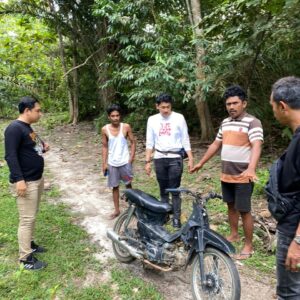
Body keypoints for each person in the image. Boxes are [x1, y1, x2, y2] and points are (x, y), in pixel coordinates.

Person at [192, 85, 263, 259]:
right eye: (228, 104)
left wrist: (251, 168)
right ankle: (233, 234)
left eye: (235, 103)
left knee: (244, 210)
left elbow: (256, 145)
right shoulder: (225, 122)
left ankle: (248, 246)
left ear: (244, 103)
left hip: (243, 176)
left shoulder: (252, 122)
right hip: (226, 174)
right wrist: (201, 163)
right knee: (231, 206)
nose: (231, 107)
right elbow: (216, 144)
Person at [4, 96, 49, 270]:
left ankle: (29, 244)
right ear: (27, 110)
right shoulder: (14, 129)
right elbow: (11, 156)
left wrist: (43, 147)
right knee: (26, 219)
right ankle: (25, 258)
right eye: (37, 110)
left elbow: (32, 146)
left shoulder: (27, 127)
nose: (40, 114)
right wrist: (19, 180)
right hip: (26, 181)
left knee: (32, 215)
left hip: (36, 178)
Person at [268, 76, 300, 299]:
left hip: (295, 228)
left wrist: (297, 242)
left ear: (282, 106)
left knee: (289, 293)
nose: (273, 112)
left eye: (272, 106)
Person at [145, 93, 193, 228]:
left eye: (168, 107)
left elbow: (185, 138)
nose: (166, 110)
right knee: (163, 189)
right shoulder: (152, 120)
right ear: (157, 106)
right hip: (159, 157)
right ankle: (165, 215)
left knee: (175, 190)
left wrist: (190, 158)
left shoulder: (179, 118)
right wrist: (147, 161)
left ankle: (176, 218)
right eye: (163, 107)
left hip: (175, 158)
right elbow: (150, 142)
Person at [101, 104, 136, 219]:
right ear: (109, 117)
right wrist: (104, 163)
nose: (115, 118)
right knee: (115, 187)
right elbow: (105, 146)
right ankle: (117, 210)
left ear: (120, 116)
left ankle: (132, 207)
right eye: (113, 116)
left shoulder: (125, 127)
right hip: (112, 164)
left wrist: (131, 158)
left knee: (128, 184)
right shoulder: (105, 129)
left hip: (125, 163)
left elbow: (133, 142)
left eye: (117, 115)